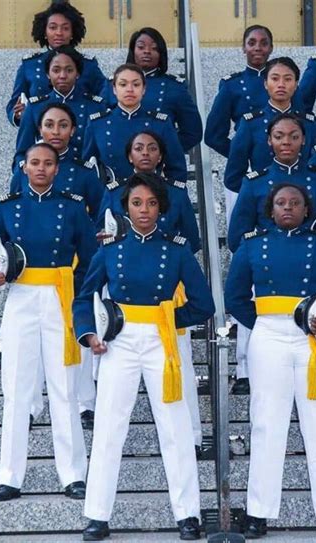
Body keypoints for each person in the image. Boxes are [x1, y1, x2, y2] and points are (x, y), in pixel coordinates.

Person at [73, 172, 215, 541]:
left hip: (162, 342)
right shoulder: (109, 250)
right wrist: (90, 333)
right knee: (108, 427)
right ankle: (97, 515)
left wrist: (168, 319)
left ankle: (188, 514)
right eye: (137, 203)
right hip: (119, 341)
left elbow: (204, 304)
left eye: (151, 203)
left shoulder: (177, 250)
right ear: (125, 208)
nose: (144, 210)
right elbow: (83, 297)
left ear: (161, 208)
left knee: (176, 427)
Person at [225, 184, 316, 539]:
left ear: (307, 209)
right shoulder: (252, 246)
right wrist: (266, 325)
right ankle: (258, 512)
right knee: (267, 423)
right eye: (280, 203)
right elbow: (235, 296)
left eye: (295, 203)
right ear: (270, 210)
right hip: (269, 337)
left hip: (315, 338)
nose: (288, 208)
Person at [0, 143, 97, 503]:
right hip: (22, 297)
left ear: (57, 168)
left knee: (64, 387)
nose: (42, 169)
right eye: (35, 163)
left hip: (60, 297)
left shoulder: (74, 207)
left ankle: (73, 474)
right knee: (16, 388)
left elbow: (92, 260)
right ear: (24, 166)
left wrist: (84, 307)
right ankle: (10, 476)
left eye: (48, 163)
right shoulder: (8, 206)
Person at [98, 131, 203, 451]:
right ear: (129, 155)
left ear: (161, 155)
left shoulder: (177, 194)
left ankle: (192, 436)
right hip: (126, 289)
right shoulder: (114, 191)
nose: (145, 153)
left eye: (152, 148)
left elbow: (193, 240)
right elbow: (101, 232)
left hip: (168, 293)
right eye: (138, 147)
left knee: (179, 364)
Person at [10, 103, 105, 429]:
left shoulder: (82, 173)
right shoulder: (24, 170)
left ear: (73, 131)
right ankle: (31, 403)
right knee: (33, 340)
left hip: (72, 266)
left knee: (75, 330)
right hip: (35, 270)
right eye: (49, 124)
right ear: (40, 130)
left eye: (63, 125)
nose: (56, 131)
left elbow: (99, 210)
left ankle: (83, 402)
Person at [228, 113, 316, 253]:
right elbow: (237, 237)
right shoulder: (254, 183)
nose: (286, 142)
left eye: (294, 137)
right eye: (278, 136)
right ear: (269, 140)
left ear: (303, 140)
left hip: (313, 259)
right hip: (268, 258)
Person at [224, 57, 316, 194]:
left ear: (296, 84)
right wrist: (259, 195)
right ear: (265, 84)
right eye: (275, 79)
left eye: (287, 79)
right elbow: (233, 178)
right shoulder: (251, 124)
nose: (281, 84)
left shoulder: (308, 124)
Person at [6, 0, 106, 126]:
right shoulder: (29, 65)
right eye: (53, 27)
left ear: (72, 32)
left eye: (65, 28)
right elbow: (13, 105)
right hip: (40, 137)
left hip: (80, 136)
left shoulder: (88, 65)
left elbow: (105, 97)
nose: (59, 33)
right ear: (44, 31)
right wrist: (18, 115)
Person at [102, 27, 202, 152]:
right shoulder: (113, 83)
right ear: (133, 51)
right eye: (141, 47)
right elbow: (100, 125)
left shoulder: (174, 87)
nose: (147, 51)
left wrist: (165, 151)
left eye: (154, 48)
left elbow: (193, 132)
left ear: (161, 54)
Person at [83, 63, 186, 181]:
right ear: (114, 89)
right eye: (123, 84)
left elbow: (177, 169)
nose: (129, 89)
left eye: (136, 84)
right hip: (109, 196)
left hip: (151, 194)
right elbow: (87, 168)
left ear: (144, 89)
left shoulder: (160, 124)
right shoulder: (97, 123)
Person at [14, 46, 107, 161]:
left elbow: (104, 151)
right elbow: (22, 153)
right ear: (48, 74)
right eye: (56, 70)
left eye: (69, 70)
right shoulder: (34, 107)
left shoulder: (95, 106)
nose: (62, 76)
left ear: (78, 74)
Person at [204, 25, 275, 158]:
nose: (258, 48)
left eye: (264, 43)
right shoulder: (231, 85)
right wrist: (240, 156)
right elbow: (213, 136)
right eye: (251, 43)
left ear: (271, 48)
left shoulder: (284, 82)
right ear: (243, 47)